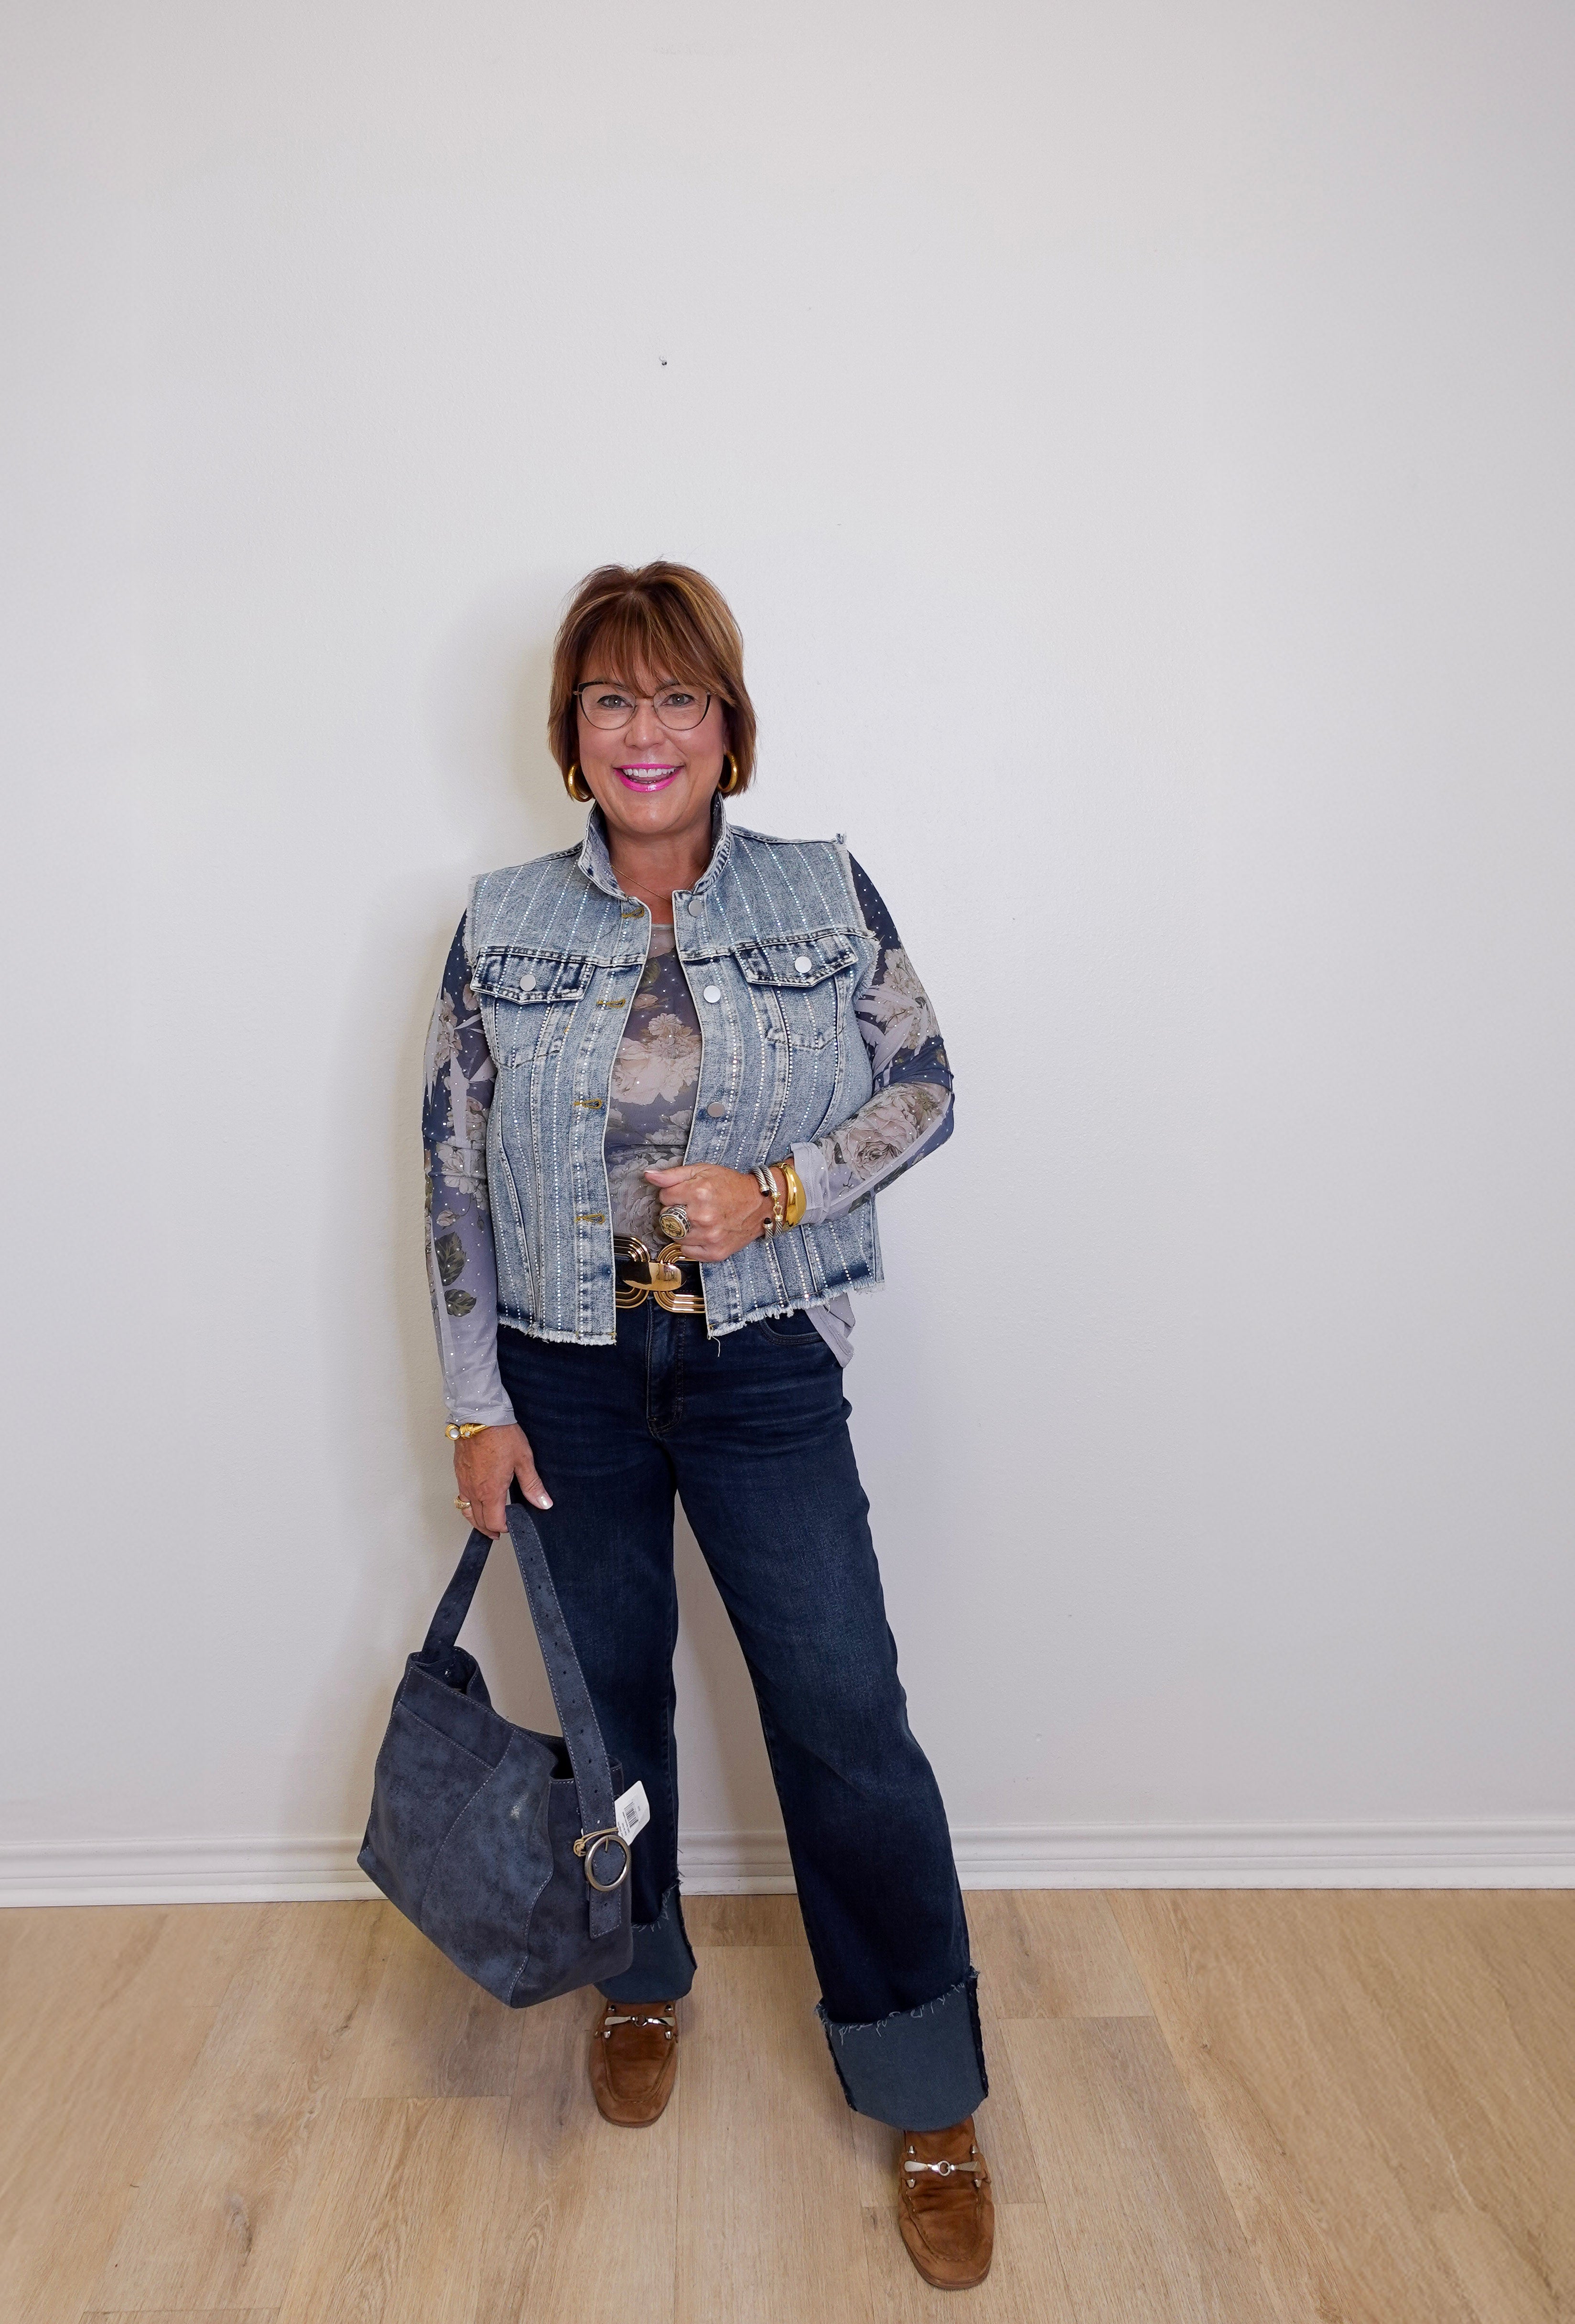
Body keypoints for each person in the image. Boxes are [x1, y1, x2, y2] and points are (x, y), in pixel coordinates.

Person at [421, 561, 992, 2289]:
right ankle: (643, 1977)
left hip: (755, 1364)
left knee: (841, 1711)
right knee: (612, 1713)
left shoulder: (821, 889)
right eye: (612, 700)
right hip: (564, 1373)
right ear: (572, 734)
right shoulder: (506, 921)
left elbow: (927, 1084)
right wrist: (471, 1401)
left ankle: (923, 2076)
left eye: (678, 698)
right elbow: (449, 1169)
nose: (645, 731)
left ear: (727, 726)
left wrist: (783, 1189)